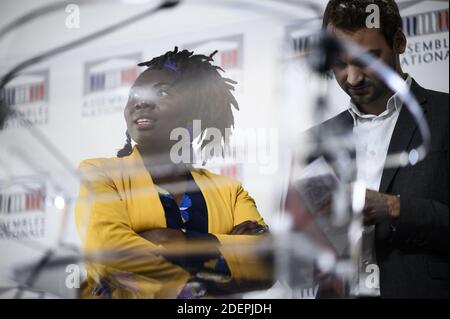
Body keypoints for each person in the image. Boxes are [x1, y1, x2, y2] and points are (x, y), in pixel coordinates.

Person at [75, 47, 272, 298]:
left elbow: (268, 261)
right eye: (135, 94)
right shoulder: (100, 173)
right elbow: (109, 251)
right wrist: (212, 261)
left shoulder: (229, 191)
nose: (142, 102)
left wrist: (174, 240)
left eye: (162, 92)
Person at [312, 0, 448, 298]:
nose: (353, 78)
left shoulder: (444, 115)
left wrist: (394, 208)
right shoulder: (314, 142)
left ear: (399, 42)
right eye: (338, 63)